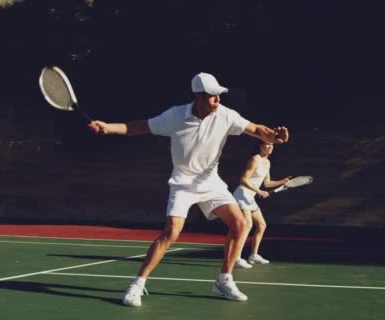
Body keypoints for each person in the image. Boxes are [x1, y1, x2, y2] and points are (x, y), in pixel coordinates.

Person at [87, 72, 289, 306]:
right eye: (213, 96)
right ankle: (137, 284)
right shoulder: (175, 116)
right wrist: (107, 128)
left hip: (210, 181)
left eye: (219, 96)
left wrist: (274, 137)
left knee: (240, 224)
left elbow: (255, 128)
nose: (218, 100)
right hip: (183, 183)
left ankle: (223, 280)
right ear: (198, 96)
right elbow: (139, 126)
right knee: (171, 232)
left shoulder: (225, 115)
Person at [232, 141, 290, 269]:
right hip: (242, 194)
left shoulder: (267, 162)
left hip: (250, 197)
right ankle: (236, 258)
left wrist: (282, 182)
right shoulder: (255, 159)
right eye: (267, 144)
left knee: (262, 225)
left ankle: (253, 255)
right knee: (247, 226)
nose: (269, 147)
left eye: (272, 145)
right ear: (260, 146)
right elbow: (243, 179)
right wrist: (258, 191)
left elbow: (267, 183)